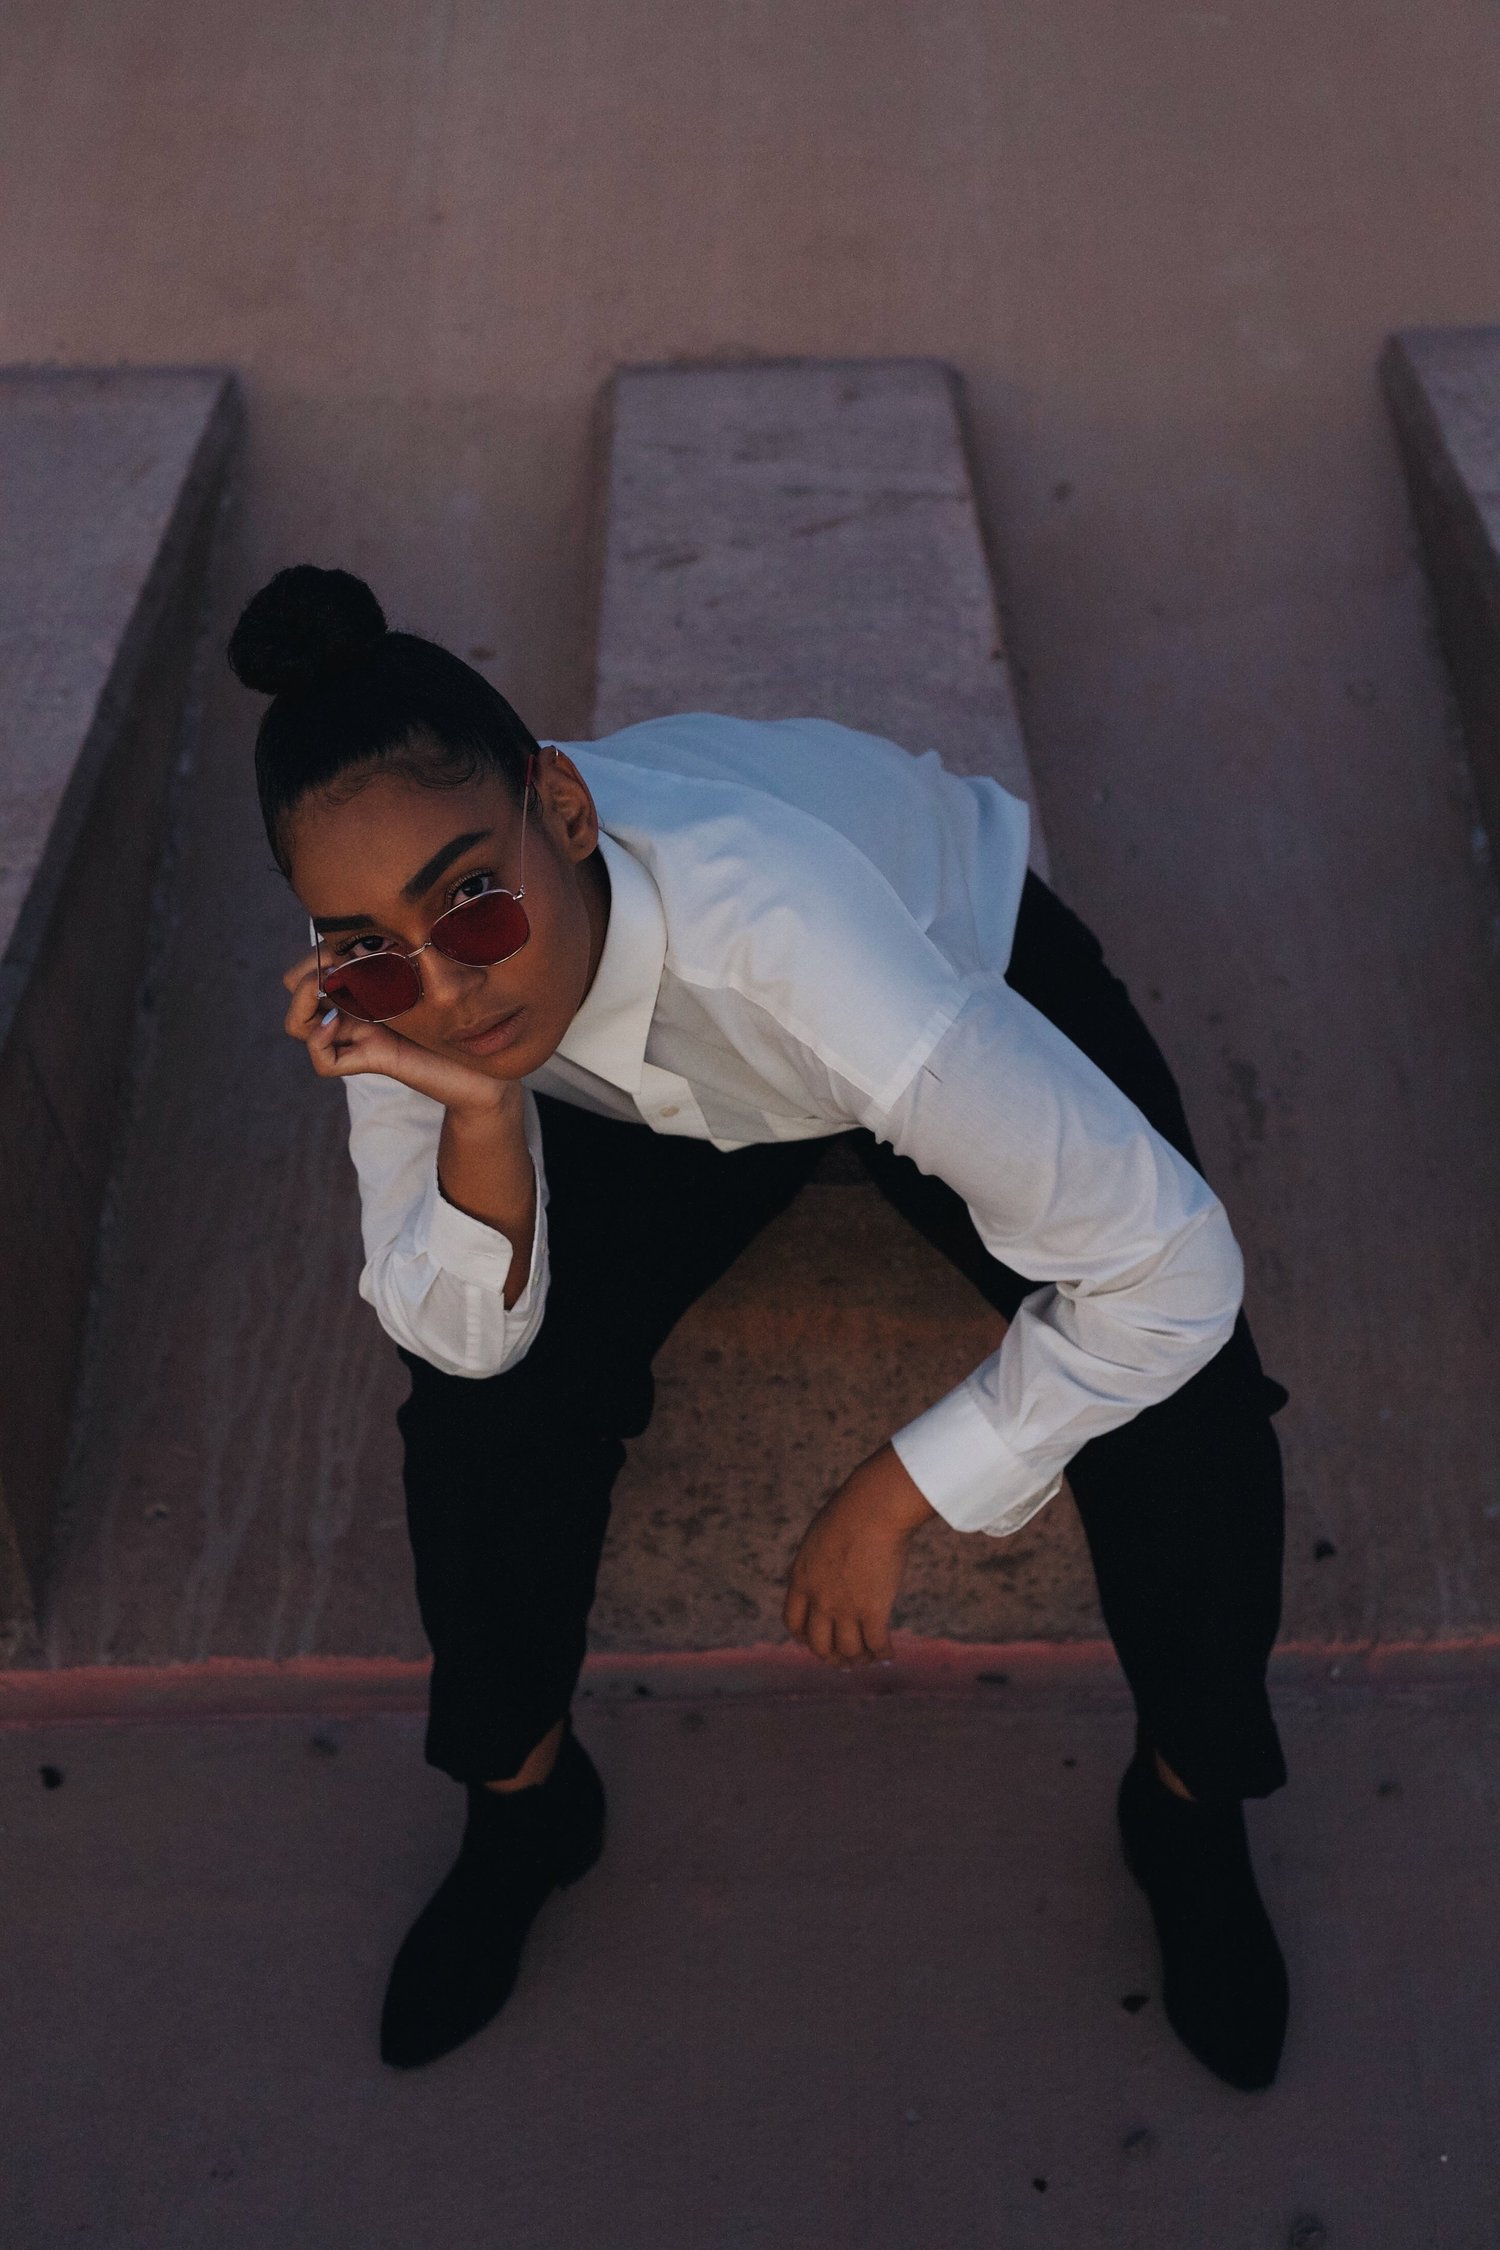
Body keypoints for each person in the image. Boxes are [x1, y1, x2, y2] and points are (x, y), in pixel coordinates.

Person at [229, 562, 1293, 2087]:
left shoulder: (796, 933)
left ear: (563, 807)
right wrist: (472, 1114)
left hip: (930, 948)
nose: (446, 989)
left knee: (1189, 1399)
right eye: (373, 950)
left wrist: (900, 1488)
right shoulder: (407, 989)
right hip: (625, 1068)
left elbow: (1174, 1262)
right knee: (483, 1414)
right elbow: (460, 1333)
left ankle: (1189, 1807)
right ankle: (526, 1806)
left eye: (475, 899)